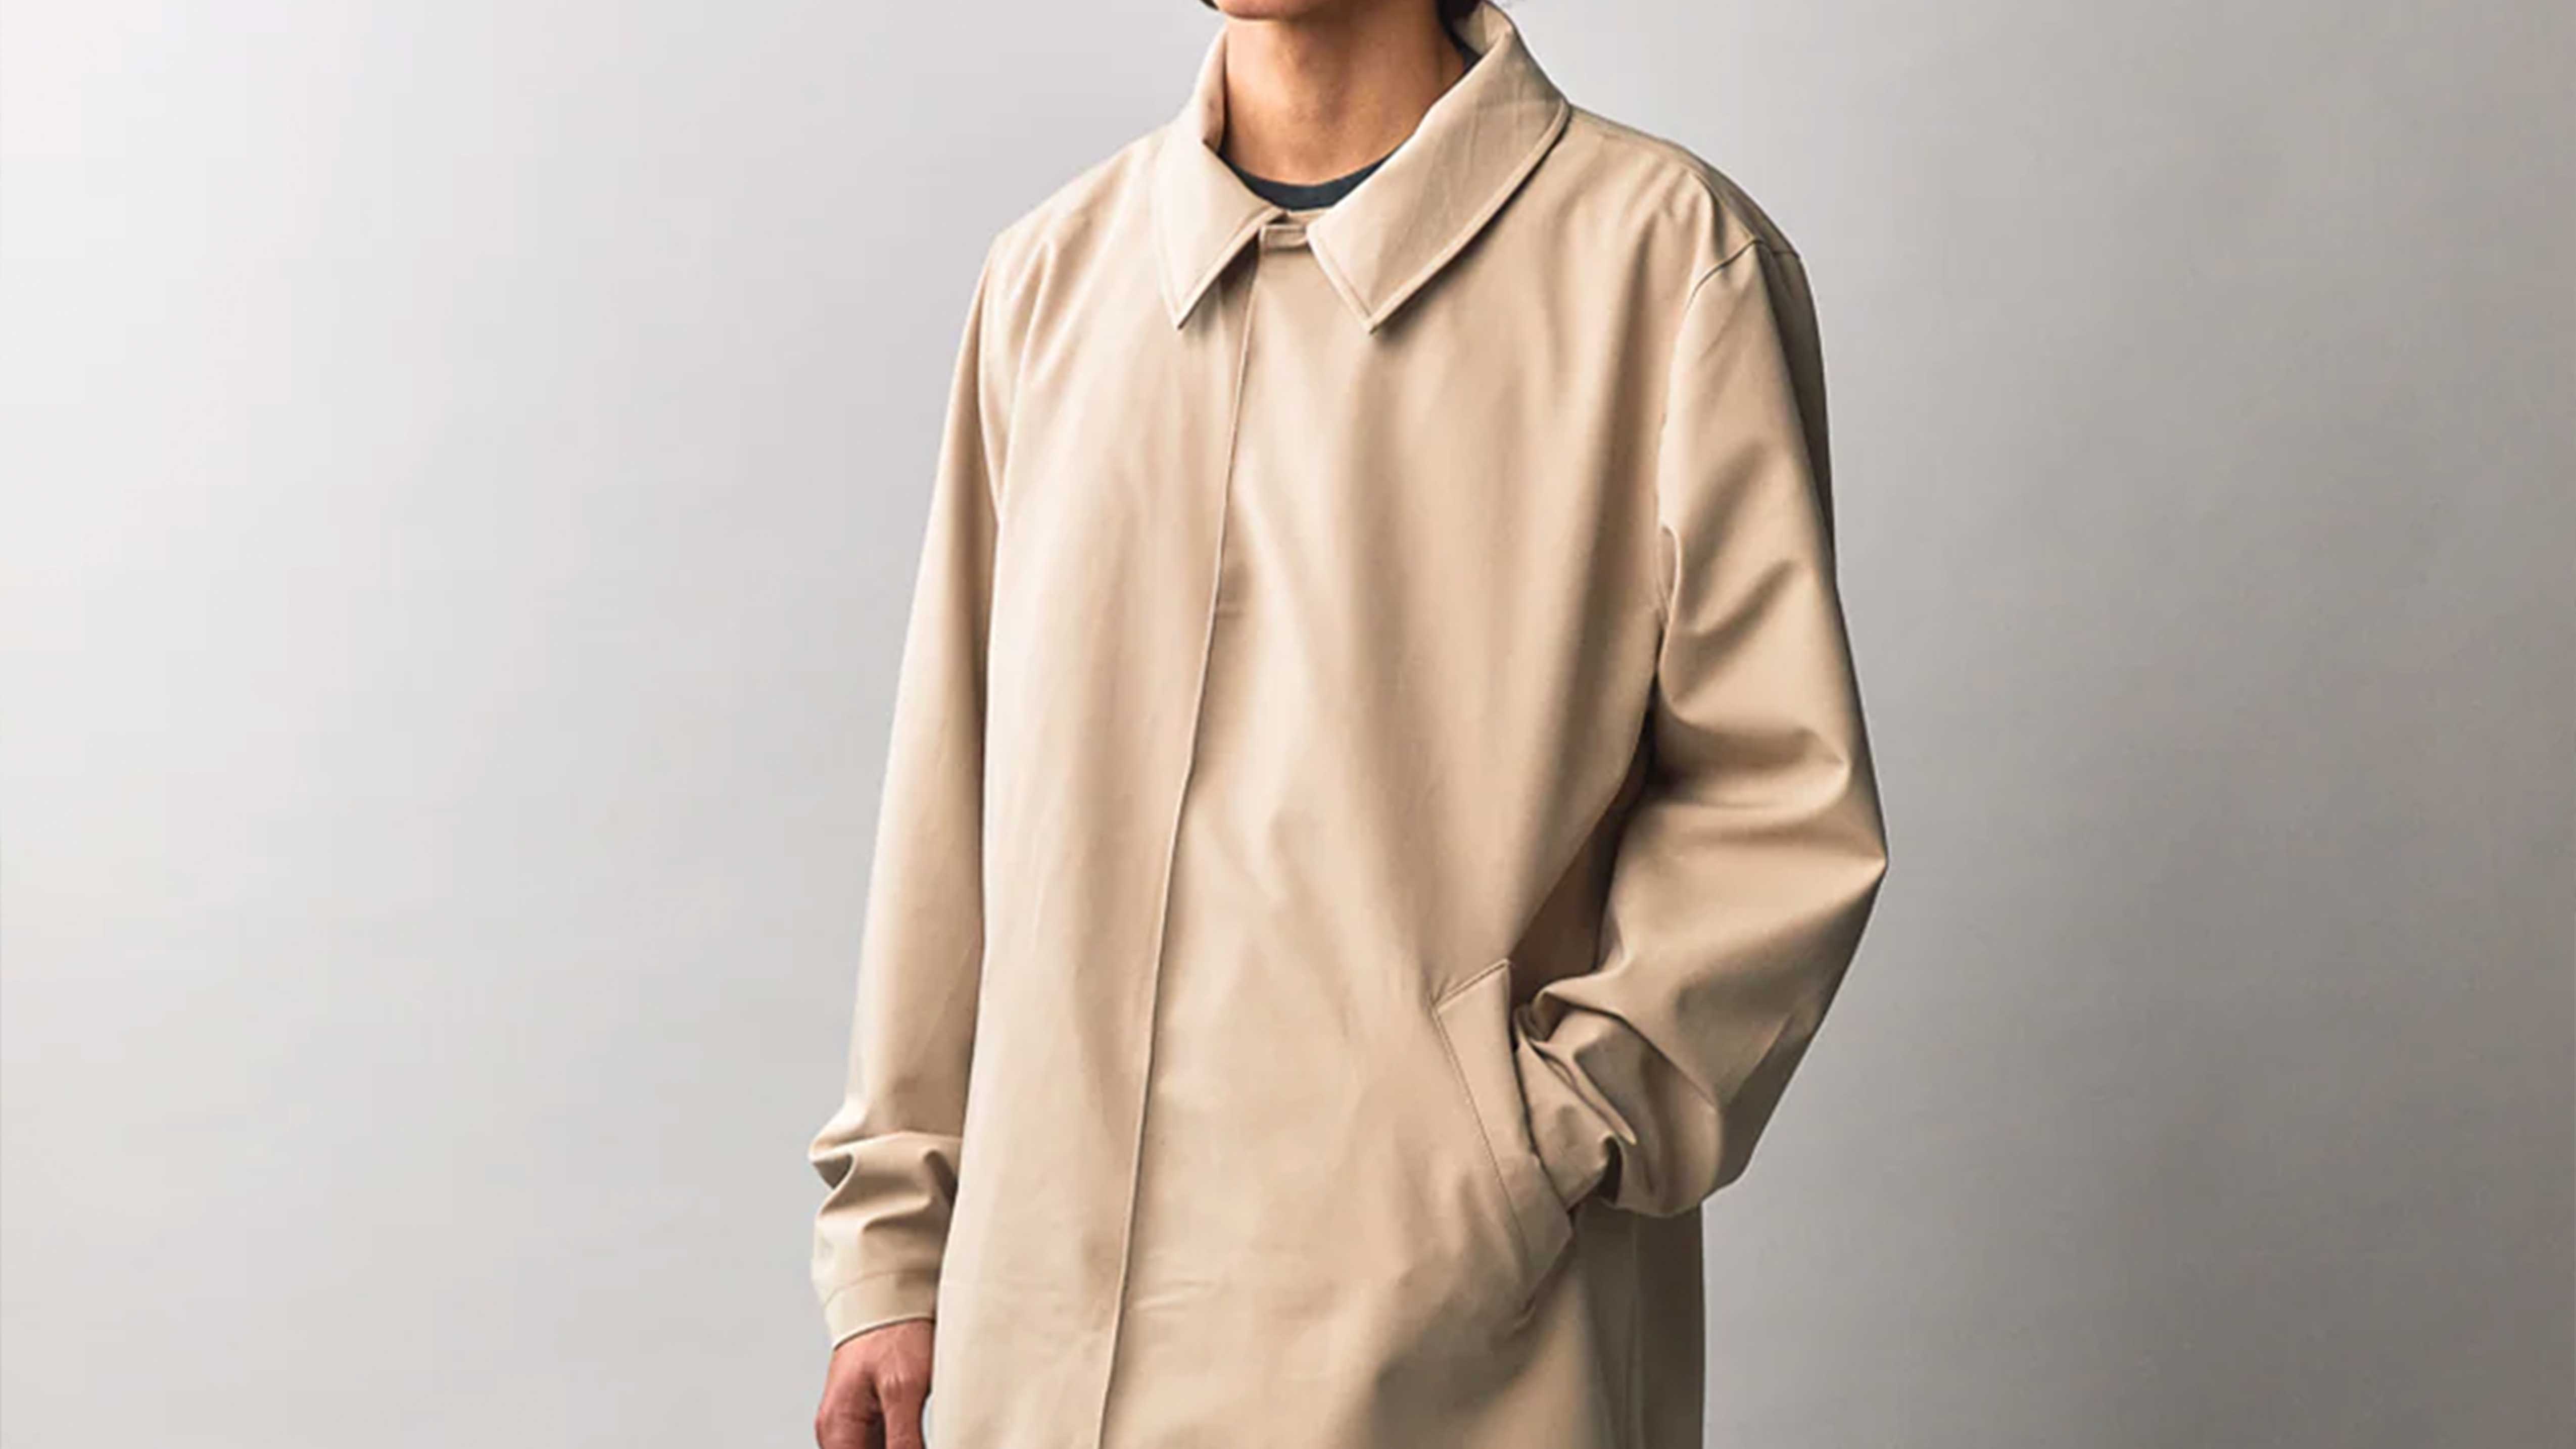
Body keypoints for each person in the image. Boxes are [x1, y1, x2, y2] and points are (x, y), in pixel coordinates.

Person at [808, 2, 1891, 1445]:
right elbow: (952, 793)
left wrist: (1524, 1153)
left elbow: (1776, 803)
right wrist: (896, 1245)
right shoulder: (1052, 280)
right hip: (1041, 1349)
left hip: (1457, 1358)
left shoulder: (1663, 260)